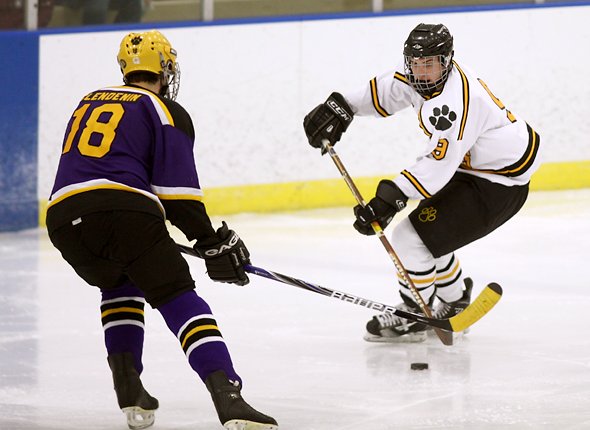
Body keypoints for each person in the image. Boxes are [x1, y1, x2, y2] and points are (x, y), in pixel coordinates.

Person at [45, 30, 278, 429]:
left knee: (119, 283)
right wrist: (210, 242)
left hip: (64, 220)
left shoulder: (88, 100)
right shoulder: (163, 109)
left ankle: (128, 385)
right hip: (124, 214)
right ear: (166, 69)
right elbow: (178, 196)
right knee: (177, 296)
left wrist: (205, 241)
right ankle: (228, 396)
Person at [303, 23, 541, 343]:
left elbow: (437, 166)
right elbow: (386, 91)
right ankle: (455, 301)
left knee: (409, 239)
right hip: (475, 169)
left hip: (498, 184)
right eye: (415, 63)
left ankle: (415, 314)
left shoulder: (455, 103)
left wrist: (389, 199)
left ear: (446, 60)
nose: (420, 71)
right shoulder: (420, 78)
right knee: (428, 237)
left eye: (429, 63)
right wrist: (342, 106)